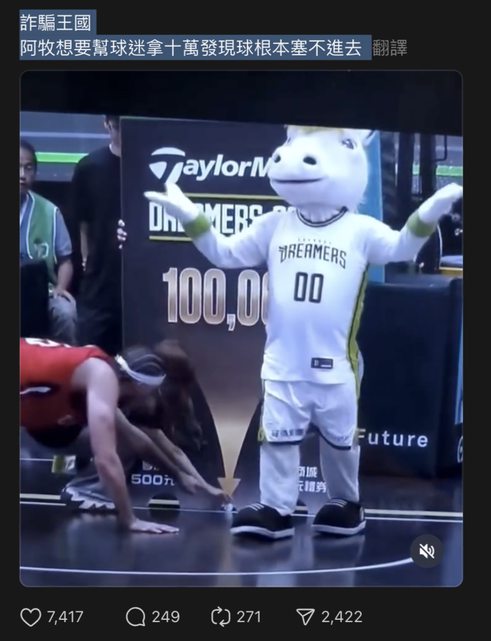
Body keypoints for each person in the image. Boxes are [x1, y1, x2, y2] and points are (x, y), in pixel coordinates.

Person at [129, 125, 463, 539]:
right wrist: (191, 218)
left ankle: (347, 503)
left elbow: (401, 248)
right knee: (278, 441)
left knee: (340, 442)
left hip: (336, 365)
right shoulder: (275, 224)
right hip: (282, 363)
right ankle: (276, 508)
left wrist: (429, 211)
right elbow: (225, 253)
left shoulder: (360, 229)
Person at [20, 337, 229, 532]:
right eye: (149, 394)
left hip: (44, 418)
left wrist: (181, 477)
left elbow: (140, 441)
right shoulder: (103, 379)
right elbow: (106, 458)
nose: (148, 400)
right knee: (113, 442)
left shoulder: (103, 371)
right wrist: (129, 519)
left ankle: (88, 489)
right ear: (140, 385)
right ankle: (85, 489)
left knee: (126, 435)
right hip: (41, 416)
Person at [72, 115, 123, 355]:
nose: (122, 133)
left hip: (141, 283)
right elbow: (83, 221)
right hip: (100, 280)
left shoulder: (152, 164)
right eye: (117, 127)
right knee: (88, 355)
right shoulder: (89, 167)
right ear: (107, 124)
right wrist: (85, 259)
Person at [20, 139, 77, 344]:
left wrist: (60, 288)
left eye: (28, 168)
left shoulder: (50, 212)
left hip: (43, 294)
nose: (22, 175)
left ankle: (65, 362)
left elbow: (65, 261)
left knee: (66, 313)